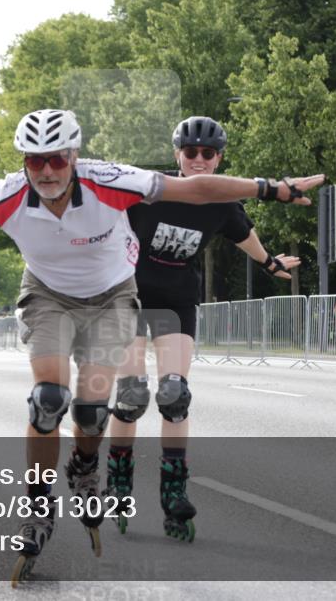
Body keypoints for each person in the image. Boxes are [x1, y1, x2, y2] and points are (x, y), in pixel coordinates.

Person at [0, 108, 323, 577]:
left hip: (114, 297)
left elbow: (195, 189)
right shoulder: (8, 196)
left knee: (93, 412)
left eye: (57, 159)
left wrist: (273, 189)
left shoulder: (111, 180)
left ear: (74, 155)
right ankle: (38, 508)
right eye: (35, 161)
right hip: (47, 295)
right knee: (47, 401)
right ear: (23, 162)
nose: (48, 171)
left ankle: (84, 465)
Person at [103, 116, 300, 542]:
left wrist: (269, 263)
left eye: (207, 154)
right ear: (177, 155)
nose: (198, 160)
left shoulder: (223, 202)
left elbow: (244, 234)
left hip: (176, 301)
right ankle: (118, 480)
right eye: (190, 152)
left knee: (174, 395)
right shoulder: (151, 189)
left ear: (218, 158)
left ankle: (174, 493)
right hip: (129, 298)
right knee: (133, 395)